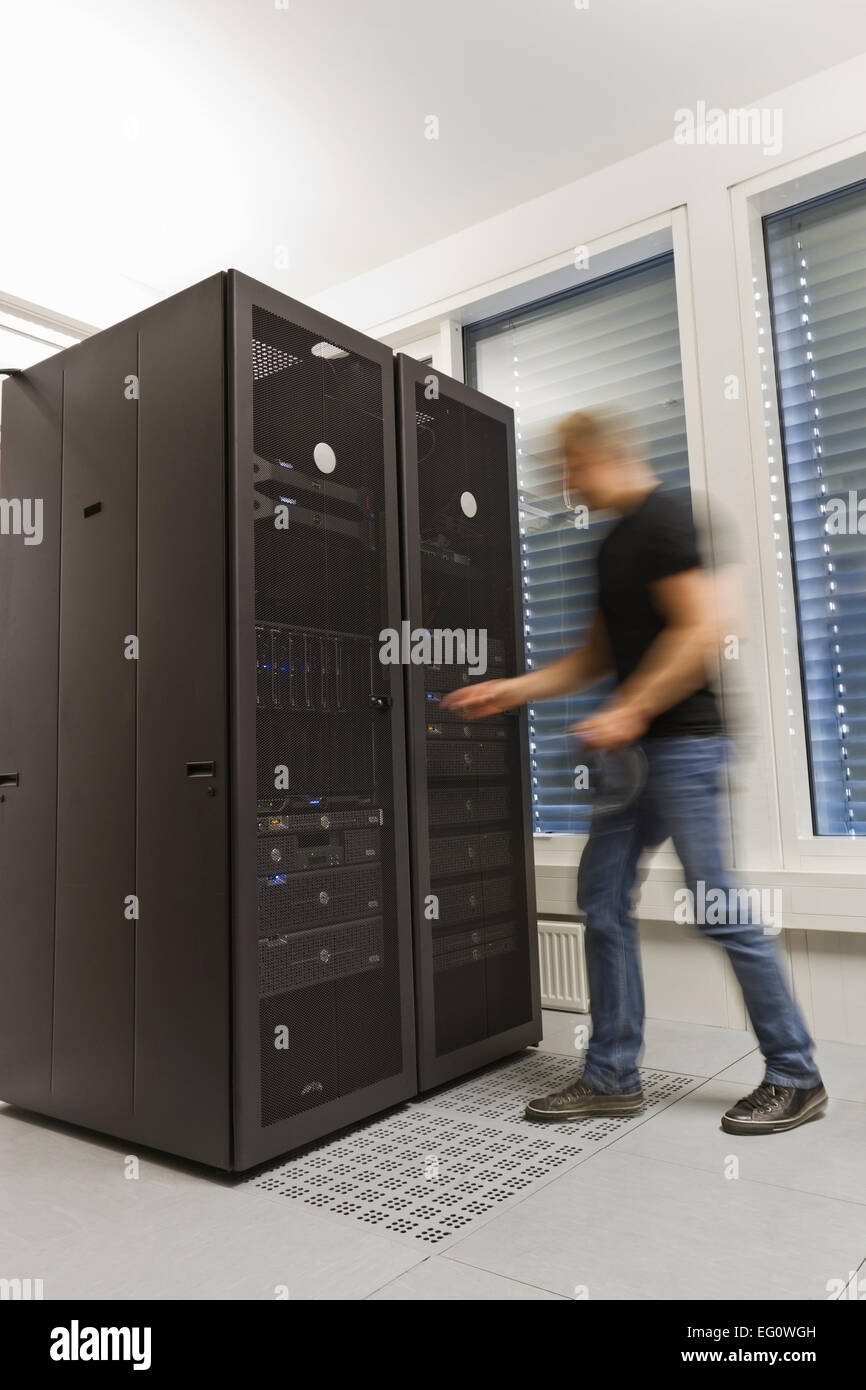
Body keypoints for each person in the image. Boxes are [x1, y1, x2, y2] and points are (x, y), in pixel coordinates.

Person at [442, 406, 826, 1136]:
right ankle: (612, 1076)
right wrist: (509, 691)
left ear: (601, 457)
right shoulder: (611, 545)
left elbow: (704, 629)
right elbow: (596, 659)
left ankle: (795, 1074)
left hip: (684, 746)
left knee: (716, 904)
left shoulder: (667, 519)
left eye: (569, 467)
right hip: (633, 757)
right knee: (603, 900)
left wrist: (630, 710)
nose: (565, 481)